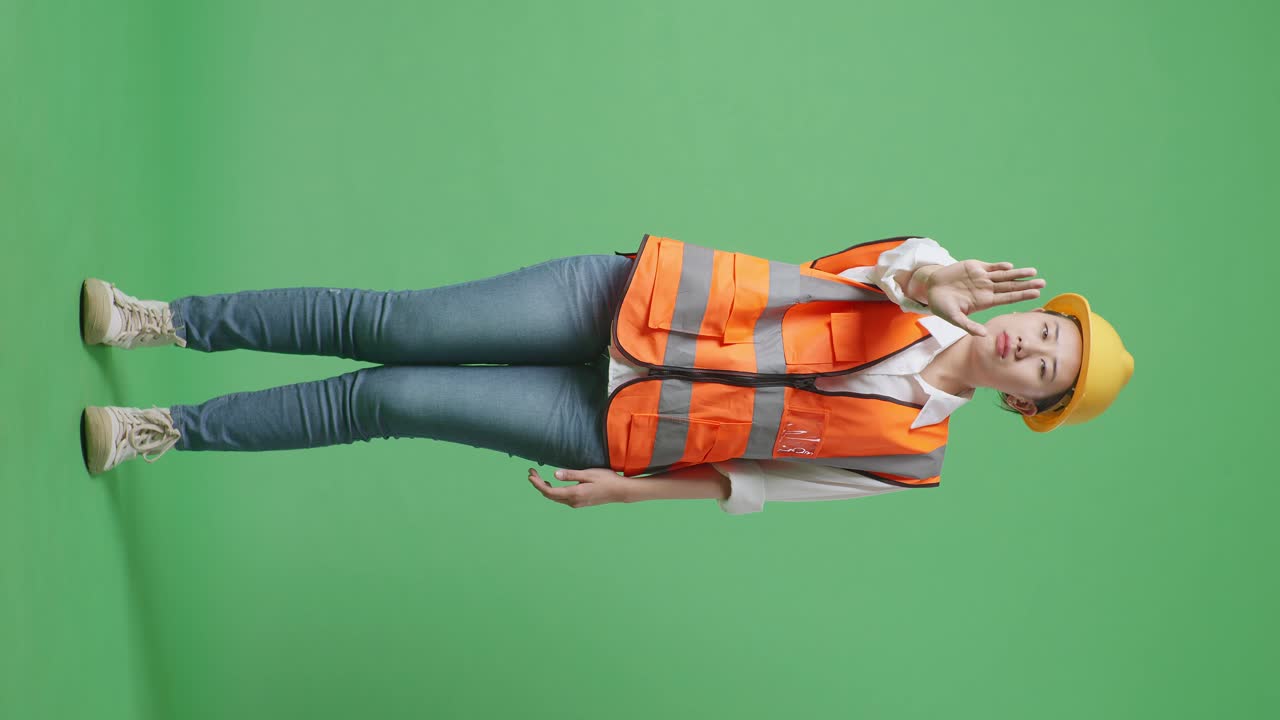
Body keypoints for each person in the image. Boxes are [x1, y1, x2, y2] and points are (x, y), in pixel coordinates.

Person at [79, 234, 1134, 514]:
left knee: (389, 398)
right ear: (1026, 311)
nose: (1031, 346)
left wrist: (627, 491)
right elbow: (873, 269)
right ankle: (159, 321)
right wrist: (931, 281)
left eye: (1047, 368)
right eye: (1047, 329)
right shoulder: (928, 272)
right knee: (394, 323)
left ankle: (162, 429)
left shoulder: (912, 461)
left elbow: (760, 482)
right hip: (630, 300)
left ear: (1027, 403)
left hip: (621, 423)